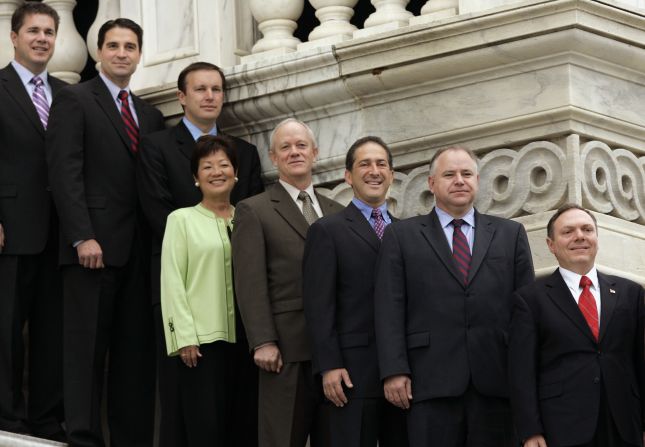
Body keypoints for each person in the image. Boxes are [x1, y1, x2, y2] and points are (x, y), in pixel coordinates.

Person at [46, 18, 165, 447]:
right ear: (98, 53)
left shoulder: (150, 115)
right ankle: (82, 437)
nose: (121, 53)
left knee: (134, 356)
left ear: (139, 54)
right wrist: (81, 235)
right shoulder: (75, 99)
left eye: (130, 46)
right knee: (85, 352)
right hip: (91, 248)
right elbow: (65, 171)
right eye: (112, 45)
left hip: (139, 251)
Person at [137, 61, 263, 447]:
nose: (210, 96)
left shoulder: (246, 153)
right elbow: (171, 265)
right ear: (181, 97)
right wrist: (183, 335)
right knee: (193, 422)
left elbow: (257, 235)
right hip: (196, 330)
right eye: (200, 89)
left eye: (216, 89)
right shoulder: (160, 158)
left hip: (242, 330)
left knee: (240, 422)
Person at [374, 146, 535, 446]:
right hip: (428, 381)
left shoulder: (510, 234)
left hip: (496, 380)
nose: (459, 180)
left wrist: (526, 375)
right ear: (432, 183)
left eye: (466, 174)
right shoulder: (402, 235)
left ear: (477, 180)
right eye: (449, 174)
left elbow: (526, 312)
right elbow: (388, 306)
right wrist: (394, 370)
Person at [232, 118, 343, 447]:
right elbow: (249, 281)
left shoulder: (338, 211)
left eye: (301, 145)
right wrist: (263, 341)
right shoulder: (254, 210)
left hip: (335, 352)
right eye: (286, 147)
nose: (295, 152)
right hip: (285, 349)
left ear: (315, 153)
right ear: (273, 157)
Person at [509, 204, 645, 447]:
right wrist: (530, 431)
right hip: (562, 426)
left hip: (624, 424)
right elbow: (522, 372)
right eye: (568, 231)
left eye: (587, 229)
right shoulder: (530, 299)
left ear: (596, 238)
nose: (579, 236)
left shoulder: (631, 294)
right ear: (551, 245)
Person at [303, 136, 408, 447]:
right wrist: (329, 366)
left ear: (391, 175)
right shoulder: (327, 230)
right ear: (348, 176)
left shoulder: (408, 232)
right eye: (365, 164)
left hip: (402, 374)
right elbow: (318, 305)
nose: (374, 171)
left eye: (381, 164)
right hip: (351, 374)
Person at [0, 2, 66, 440]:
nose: (42, 38)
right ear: (14, 36)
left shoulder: (69, 94)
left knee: (53, 331)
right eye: (33, 31)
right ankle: (6, 419)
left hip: (61, 233)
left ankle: (45, 419)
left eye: (48, 32)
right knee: (5, 330)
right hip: (10, 228)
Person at [160, 135, 242, 446]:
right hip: (202, 344)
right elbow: (172, 281)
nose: (217, 171)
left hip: (247, 342)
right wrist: (183, 337)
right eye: (207, 166)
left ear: (236, 173)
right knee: (204, 430)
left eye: (224, 165)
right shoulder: (181, 220)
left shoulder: (247, 218)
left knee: (242, 429)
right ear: (196, 177)